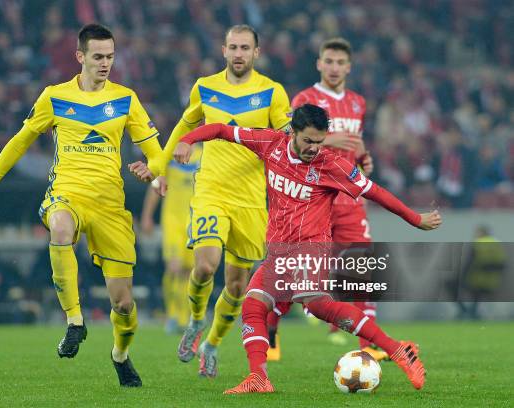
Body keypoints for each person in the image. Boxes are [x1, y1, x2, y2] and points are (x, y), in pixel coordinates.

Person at [165, 104, 441, 393]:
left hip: (312, 248)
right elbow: (221, 129)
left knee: (316, 303)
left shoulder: (331, 165)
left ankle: (397, 350)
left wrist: (415, 218)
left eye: (319, 142)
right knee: (253, 305)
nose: (313, 148)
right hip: (279, 252)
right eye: (308, 140)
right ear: (292, 132)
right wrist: (187, 139)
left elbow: (376, 192)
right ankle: (259, 378)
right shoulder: (269, 143)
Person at [0, 23, 164, 387]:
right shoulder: (54, 96)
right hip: (66, 193)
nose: (105, 64)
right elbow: (18, 143)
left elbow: (154, 153)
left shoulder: (126, 99)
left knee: (123, 305)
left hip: (110, 205)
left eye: (110, 56)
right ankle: (74, 321)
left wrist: (156, 173)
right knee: (61, 229)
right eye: (98, 56)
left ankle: (120, 355)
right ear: (80, 56)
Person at [154, 24, 291, 378]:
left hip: (250, 200)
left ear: (256, 52)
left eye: (246, 47)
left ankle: (211, 345)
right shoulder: (205, 87)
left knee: (235, 285)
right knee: (204, 266)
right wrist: (162, 169)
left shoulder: (273, 93)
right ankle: (196, 319)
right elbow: (184, 127)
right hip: (211, 191)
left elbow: (285, 140)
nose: (239, 53)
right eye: (233, 47)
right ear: (223, 50)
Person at [266, 37, 384, 360]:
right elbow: (289, 139)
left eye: (339, 63)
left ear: (349, 66)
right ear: (319, 63)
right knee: (292, 270)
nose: (333, 68)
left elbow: (354, 148)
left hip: (347, 199)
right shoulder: (305, 99)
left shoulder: (358, 103)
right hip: (312, 198)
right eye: (328, 62)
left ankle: (368, 346)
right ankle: (271, 331)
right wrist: (331, 138)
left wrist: (365, 160)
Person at [140, 145, 203, 333]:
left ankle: (184, 318)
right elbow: (156, 185)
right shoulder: (170, 154)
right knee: (174, 267)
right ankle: (172, 315)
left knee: (188, 271)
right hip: (173, 220)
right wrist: (147, 215)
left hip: (195, 220)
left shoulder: (205, 154)